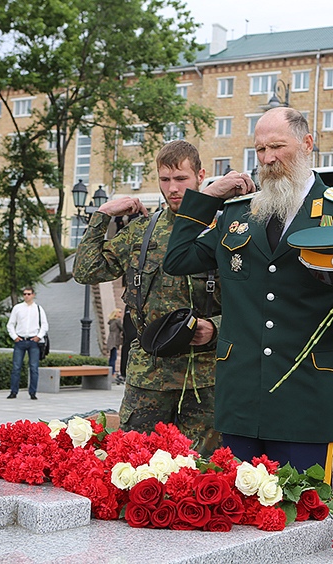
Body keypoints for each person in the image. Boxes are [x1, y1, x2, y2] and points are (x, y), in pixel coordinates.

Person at [164, 107, 333, 483]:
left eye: (277, 147)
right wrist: (206, 198)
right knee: (234, 515)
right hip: (242, 396)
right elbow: (178, 258)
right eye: (260, 149)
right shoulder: (237, 212)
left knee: (305, 517)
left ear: (306, 144)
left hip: (307, 397)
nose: (267, 159)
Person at [73, 140, 224, 457]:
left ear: (200, 175)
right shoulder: (143, 231)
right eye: (165, 179)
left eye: (181, 179)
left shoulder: (223, 230)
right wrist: (103, 214)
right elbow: (86, 271)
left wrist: (216, 328)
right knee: (132, 468)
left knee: (203, 476)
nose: (173, 189)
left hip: (205, 378)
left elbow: (249, 302)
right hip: (148, 377)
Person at [6, 286, 48, 400]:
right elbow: (10, 324)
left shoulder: (38, 308)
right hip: (20, 341)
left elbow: (44, 325)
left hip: (33, 341)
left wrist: (38, 337)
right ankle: (13, 391)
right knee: (16, 367)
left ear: (33, 295)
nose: (26, 296)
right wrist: (14, 337)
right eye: (24, 294)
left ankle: (33, 392)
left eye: (29, 294)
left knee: (34, 368)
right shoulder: (18, 308)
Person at [107, 308, 124, 383]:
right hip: (114, 339)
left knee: (111, 357)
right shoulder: (117, 321)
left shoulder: (112, 321)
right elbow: (122, 328)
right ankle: (113, 372)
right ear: (116, 313)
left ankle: (111, 371)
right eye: (119, 312)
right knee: (114, 357)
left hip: (110, 339)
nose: (121, 313)